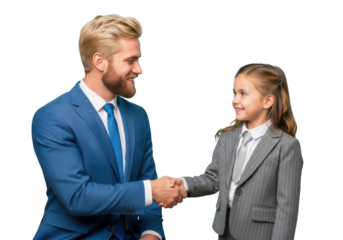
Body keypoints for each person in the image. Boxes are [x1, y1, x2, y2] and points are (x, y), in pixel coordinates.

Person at [31, 13, 186, 240]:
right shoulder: (52, 117)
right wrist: (150, 191)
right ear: (100, 61)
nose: (139, 69)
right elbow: (77, 197)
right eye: (130, 61)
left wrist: (151, 234)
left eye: (138, 60)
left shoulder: (138, 116)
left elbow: (150, 189)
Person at [159, 62, 304, 240]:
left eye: (243, 93)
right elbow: (213, 179)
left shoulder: (286, 145)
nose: (235, 100)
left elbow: (287, 207)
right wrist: (182, 184)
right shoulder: (227, 137)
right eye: (235, 93)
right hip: (224, 232)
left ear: (267, 100)